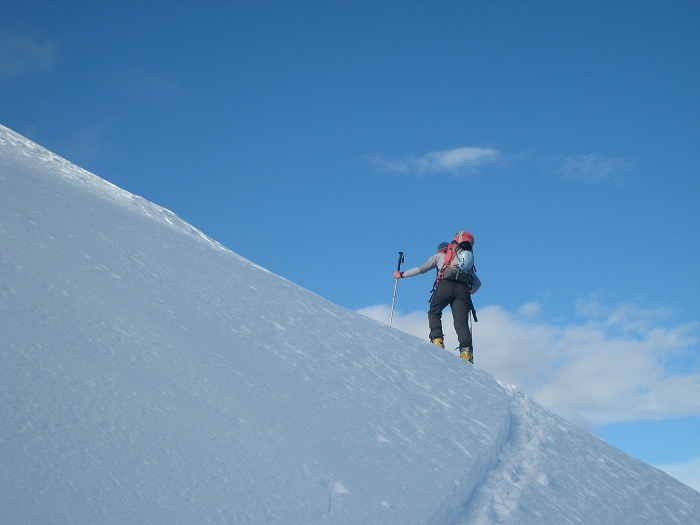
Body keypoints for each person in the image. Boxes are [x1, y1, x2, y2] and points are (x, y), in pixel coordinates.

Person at [393, 231, 481, 363]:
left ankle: (437, 340)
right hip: (462, 291)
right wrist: (471, 290)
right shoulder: (463, 260)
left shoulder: (439, 256)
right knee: (461, 322)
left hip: (445, 286)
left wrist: (402, 274)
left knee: (434, 312)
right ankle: (466, 351)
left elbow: (420, 269)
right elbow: (478, 283)